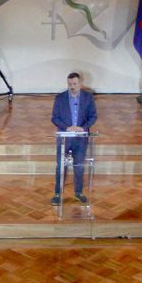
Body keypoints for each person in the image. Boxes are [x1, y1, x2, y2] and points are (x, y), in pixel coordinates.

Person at [51, 72, 97, 205]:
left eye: (75, 84)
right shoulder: (60, 98)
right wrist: (67, 128)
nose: (72, 87)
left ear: (80, 83)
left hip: (80, 138)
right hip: (65, 138)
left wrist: (83, 127)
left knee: (79, 166)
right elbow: (54, 118)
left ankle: (79, 192)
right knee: (61, 166)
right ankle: (57, 194)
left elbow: (93, 116)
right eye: (70, 84)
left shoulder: (88, 98)